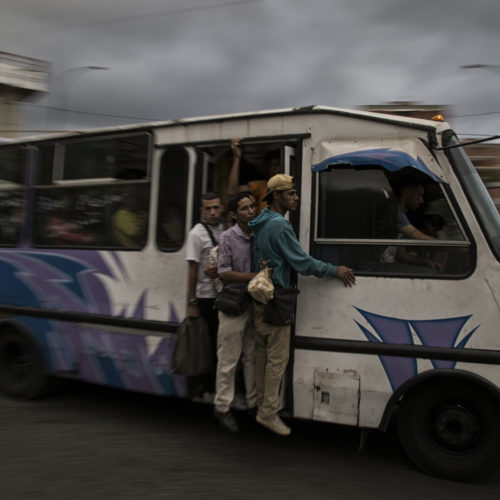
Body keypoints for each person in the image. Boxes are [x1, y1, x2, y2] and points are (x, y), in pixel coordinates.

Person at [248, 174, 356, 436]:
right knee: (277, 359)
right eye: (290, 193)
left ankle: (262, 403)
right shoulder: (280, 226)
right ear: (276, 196)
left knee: (262, 356)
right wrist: (334, 269)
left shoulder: (260, 222)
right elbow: (303, 263)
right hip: (276, 298)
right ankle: (268, 413)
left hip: (259, 297)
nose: (296, 198)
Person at [213, 192, 258, 432]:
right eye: (244, 208)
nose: (251, 211)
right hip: (233, 303)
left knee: (251, 355)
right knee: (229, 359)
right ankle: (222, 406)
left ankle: (253, 403)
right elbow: (223, 272)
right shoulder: (228, 237)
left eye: (252, 206)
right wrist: (253, 276)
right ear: (233, 214)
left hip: (255, 302)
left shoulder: (258, 234)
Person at [185, 192, 225, 395]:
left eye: (216, 207)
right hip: (205, 297)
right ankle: (206, 387)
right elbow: (192, 269)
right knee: (208, 345)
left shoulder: (225, 229)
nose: (213, 212)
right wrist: (192, 302)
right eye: (208, 208)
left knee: (221, 344)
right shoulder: (196, 234)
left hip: (222, 295)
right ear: (202, 211)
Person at [380, 178, 443, 272]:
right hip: (380, 265)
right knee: (428, 273)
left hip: (390, 263)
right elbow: (415, 235)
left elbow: (401, 255)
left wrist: (426, 262)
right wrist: (453, 245)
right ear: (407, 193)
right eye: (419, 195)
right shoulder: (393, 212)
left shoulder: (402, 215)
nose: (421, 201)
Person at [228, 140, 282, 213]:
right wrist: (237, 158)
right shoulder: (261, 186)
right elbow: (233, 192)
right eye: (271, 165)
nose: (274, 168)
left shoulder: (291, 187)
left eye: (277, 164)